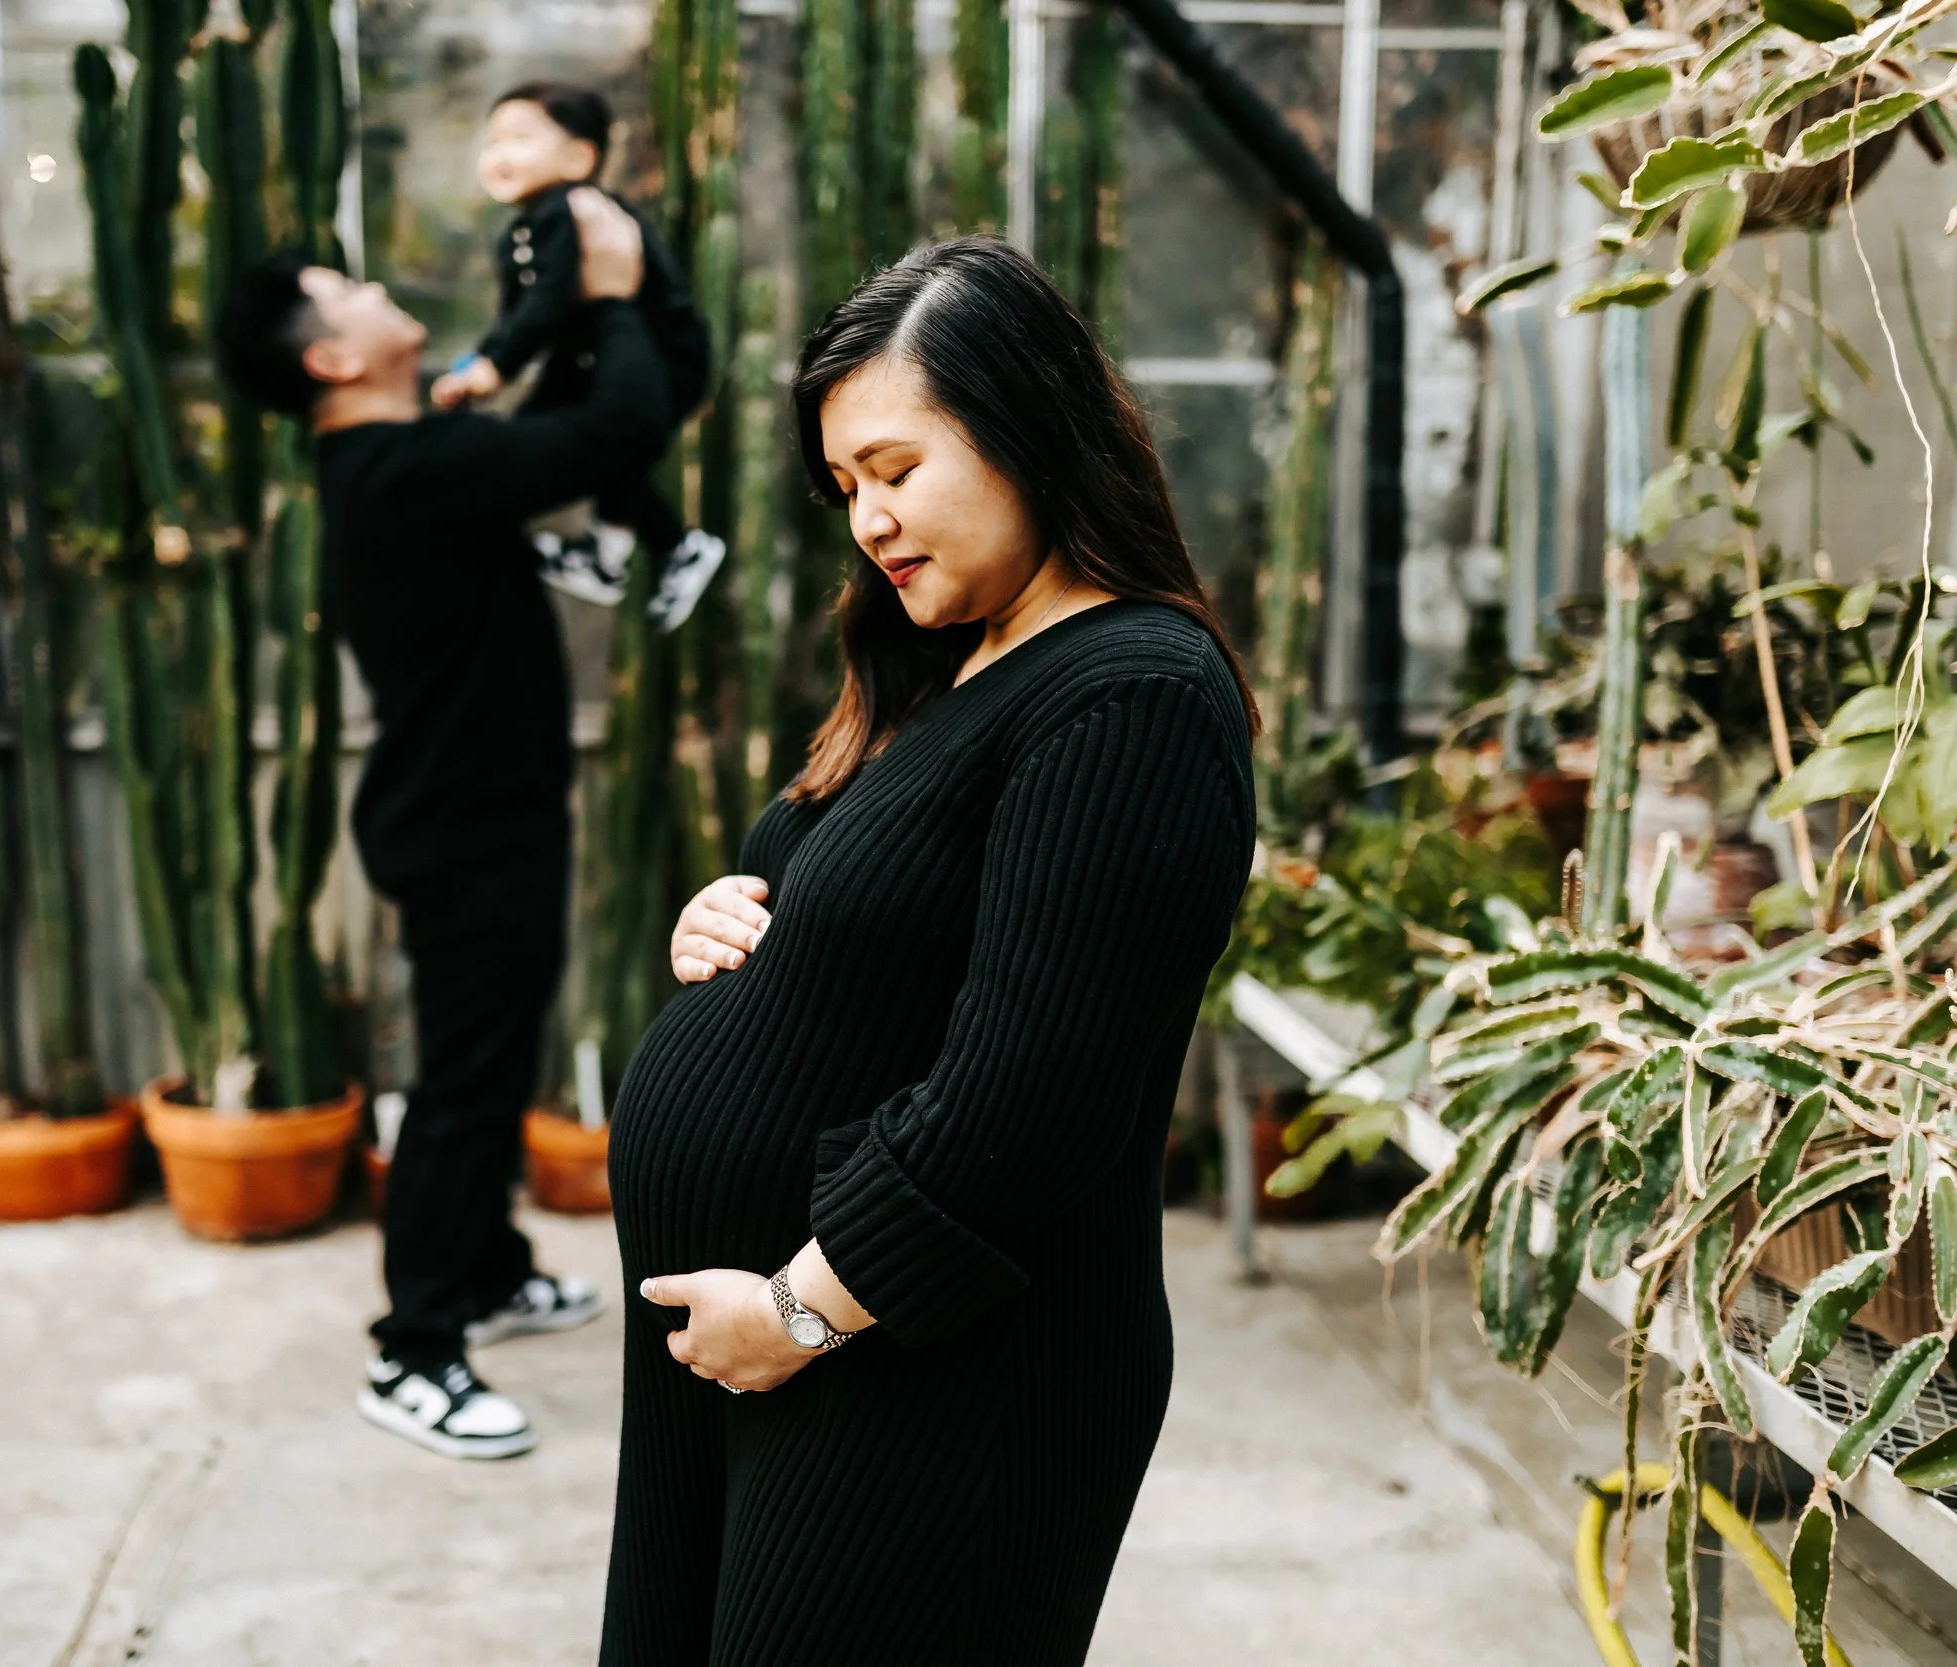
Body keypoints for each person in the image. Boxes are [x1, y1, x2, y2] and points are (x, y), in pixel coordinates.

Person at [599, 238, 1259, 1665]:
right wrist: (735, 913)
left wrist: (799, 1310)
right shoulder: (952, 659)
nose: (871, 521)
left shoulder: (1131, 698)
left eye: (896, 468)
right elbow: (863, 916)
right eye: (846, 486)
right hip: (792, 1360)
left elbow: (1034, 1099)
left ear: (1027, 428)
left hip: (934, 1380)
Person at [213, 190, 673, 1461]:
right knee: (464, 1089)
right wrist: (612, 295)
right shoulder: (409, 472)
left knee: (493, 1058)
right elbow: (622, 426)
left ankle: (485, 1267)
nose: (376, 289)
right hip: (466, 827)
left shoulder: (409, 458)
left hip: (482, 814)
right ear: (331, 359)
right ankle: (414, 1347)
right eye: (347, 291)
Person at [432, 81, 727, 632]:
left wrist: (496, 367)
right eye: (491, 142)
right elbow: (519, 316)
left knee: (604, 445)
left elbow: (545, 303)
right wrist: (481, 365)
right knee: (572, 443)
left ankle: (671, 546)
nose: (498, 153)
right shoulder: (526, 228)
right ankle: (611, 557)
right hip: (592, 361)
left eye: (520, 138)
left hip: (660, 361)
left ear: (579, 158)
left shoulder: (570, 209)